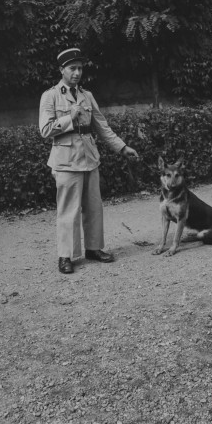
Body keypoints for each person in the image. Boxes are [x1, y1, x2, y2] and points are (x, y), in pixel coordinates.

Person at [39, 48, 139, 273]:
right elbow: (45, 130)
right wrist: (69, 118)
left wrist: (122, 148)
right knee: (68, 210)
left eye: (80, 68)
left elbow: (102, 127)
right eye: (72, 68)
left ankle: (93, 248)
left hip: (89, 157)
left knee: (94, 206)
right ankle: (65, 256)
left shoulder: (87, 96)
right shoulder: (50, 96)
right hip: (65, 160)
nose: (76, 73)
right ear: (61, 70)